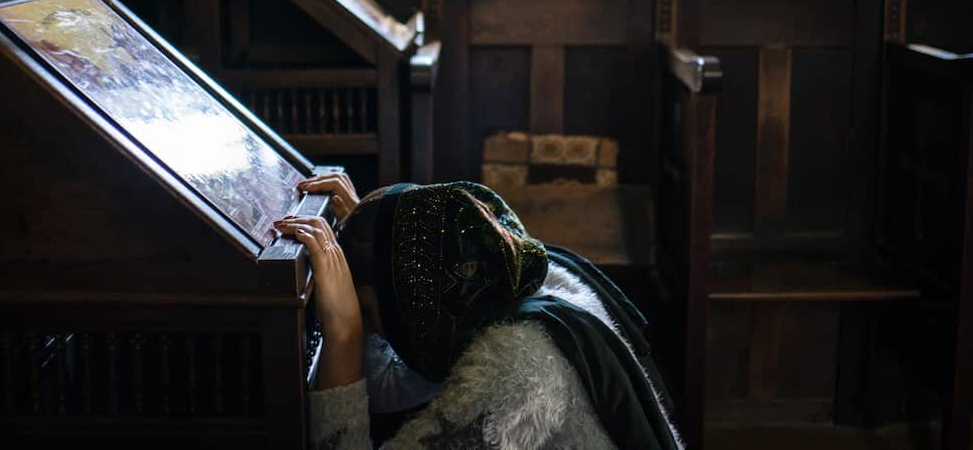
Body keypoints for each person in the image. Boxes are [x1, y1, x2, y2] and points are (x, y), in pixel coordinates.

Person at [286, 174, 684, 449]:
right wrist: (374, 238)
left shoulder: (517, 372)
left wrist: (344, 333)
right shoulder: (512, 278)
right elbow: (398, 385)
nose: (377, 331)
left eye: (376, 317)